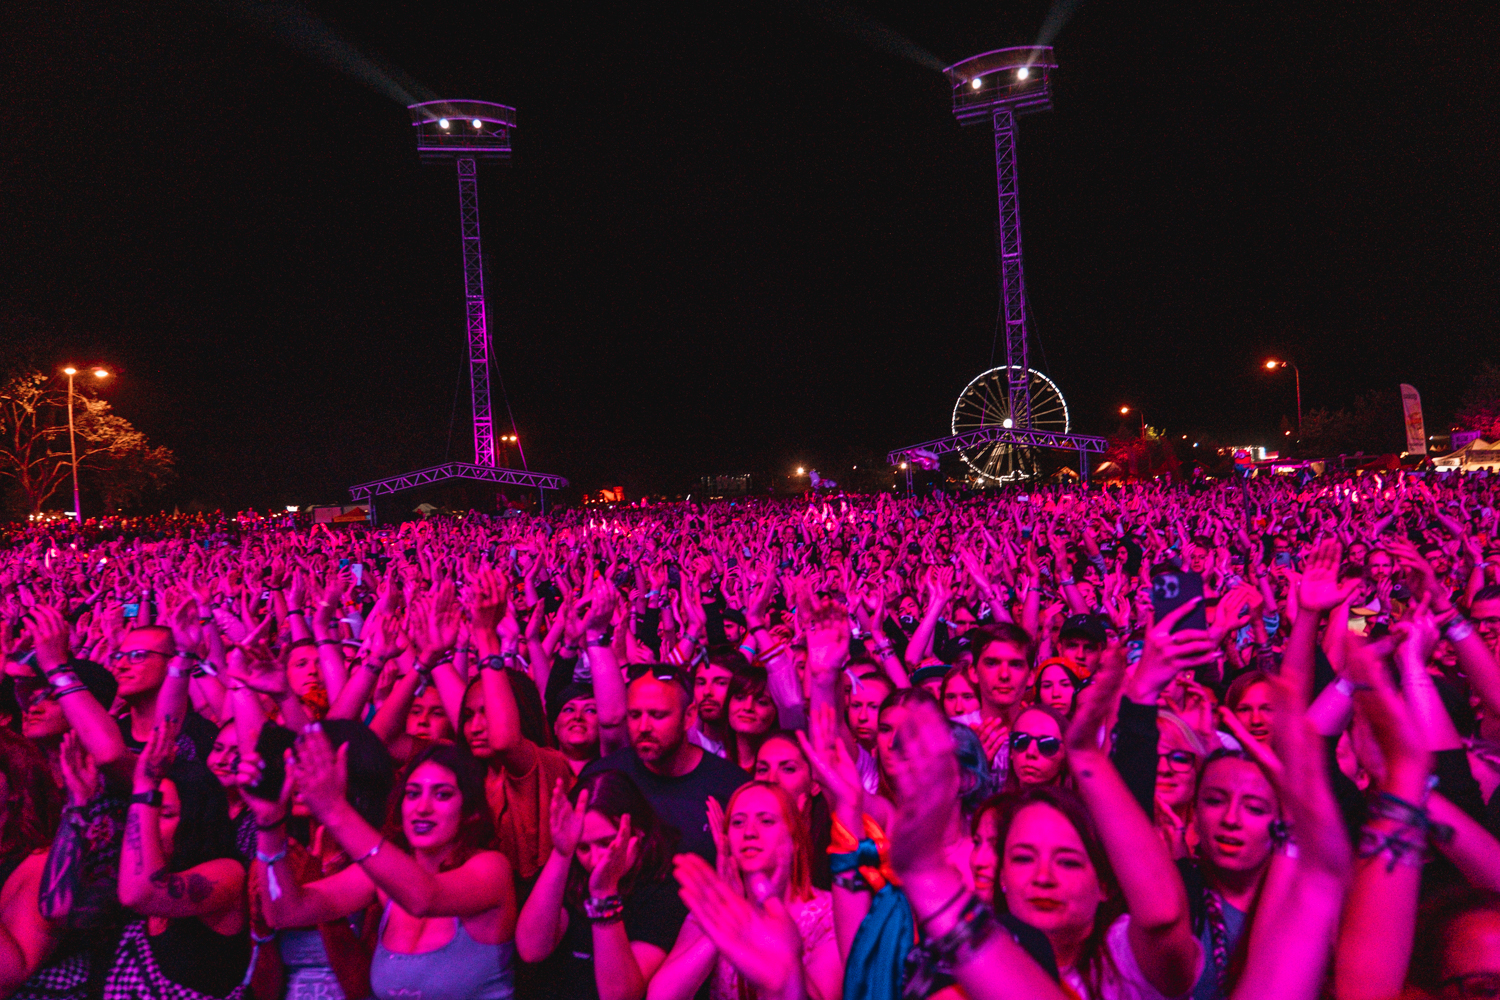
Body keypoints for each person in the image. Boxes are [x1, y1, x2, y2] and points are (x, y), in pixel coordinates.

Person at [256, 735, 518, 1000]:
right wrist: (269, 824)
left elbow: (424, 898)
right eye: (413, 794)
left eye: (442, 795)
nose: (422, 808)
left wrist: (335, 809)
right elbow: (285, 912)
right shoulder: (384, 879)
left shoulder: (491, 869)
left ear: (471, 811)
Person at [649, 781, 841, 1000]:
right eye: (738, 823)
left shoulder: (828, 915)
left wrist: (787, 963)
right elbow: (660, 996)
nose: (749, 832)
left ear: (794, 840)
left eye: (766, 821)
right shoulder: (713, 908)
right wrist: (727, 922)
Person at [516, 770, 687, 1000]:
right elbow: (531, 950)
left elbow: (619, 995)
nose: (595, 860)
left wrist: (604, 894)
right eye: (583, 847)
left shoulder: (663, 888)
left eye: (606, 843)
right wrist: (563, 852)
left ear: (638, 833)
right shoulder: (571, 870)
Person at [110, 721, 250, 1000]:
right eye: (143, 811)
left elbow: (139, 894)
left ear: (196, 821)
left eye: (164, 814)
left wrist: (145, 786)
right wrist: (78, 805)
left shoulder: (228, 873)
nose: (145, 823)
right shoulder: (126, 872)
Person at [579, 665, 748, 863]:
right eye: (634, 715)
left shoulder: (731, 785)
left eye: (657, 715)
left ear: (689, 716)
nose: (643, 727)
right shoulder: (602, 778)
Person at [754, 732, 833, 890]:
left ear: (815, 784)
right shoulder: (747, 834)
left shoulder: (832, 841)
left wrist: (797, 839)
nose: (771, 780)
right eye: (762, 769)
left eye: (788, 769)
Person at [722, 664, 779, 773]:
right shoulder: (714, 763)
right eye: (740, 698)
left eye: (761, 702)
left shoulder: (777, 772)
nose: (748, 707)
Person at [1005, 705, 1069, 791]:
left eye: (1047, 745)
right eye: (1021, 742)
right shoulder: (995, 799)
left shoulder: (1082, 799)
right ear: (1011, 752)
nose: (1030, 752)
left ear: (1065, 755)